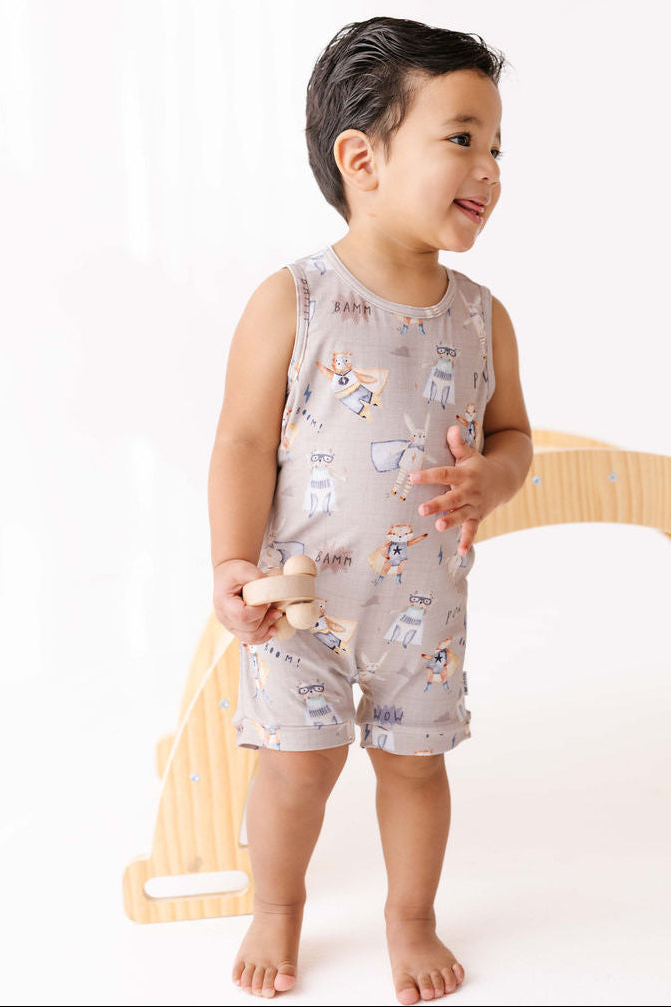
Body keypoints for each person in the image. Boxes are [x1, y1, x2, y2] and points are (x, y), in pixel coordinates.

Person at [207, 15, 533, 1004]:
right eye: (461, 137)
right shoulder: (292, 299)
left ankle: (410, 915)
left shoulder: (480, 316)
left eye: (495, 145)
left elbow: (515, 437)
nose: (488, 167)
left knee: (413, 765)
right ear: (362, 156)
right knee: (295, 768)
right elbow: (241, 442)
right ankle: (277, 902)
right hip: (296, 601)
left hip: (420, 612)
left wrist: (493, 475)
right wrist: (229, 561)